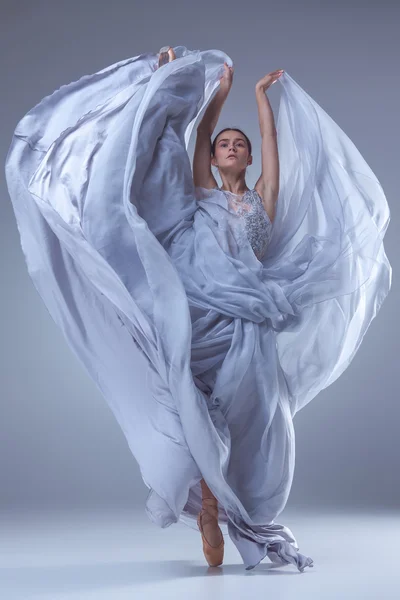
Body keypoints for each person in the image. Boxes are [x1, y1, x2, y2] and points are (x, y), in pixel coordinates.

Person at [5, 45, 391, 573]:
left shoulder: (263, 198)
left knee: (252, 416)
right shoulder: (203, 190)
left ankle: (229, 505)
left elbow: (271, 144)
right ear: (211, 157)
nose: (231, 147)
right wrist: (219, 95)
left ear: (249, 158)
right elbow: (200, 138)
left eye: (240, 144)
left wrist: (259, 99)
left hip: (247, 319)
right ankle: (210, 503)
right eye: (223, 144)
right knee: (195, 401)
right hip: (198, 304)